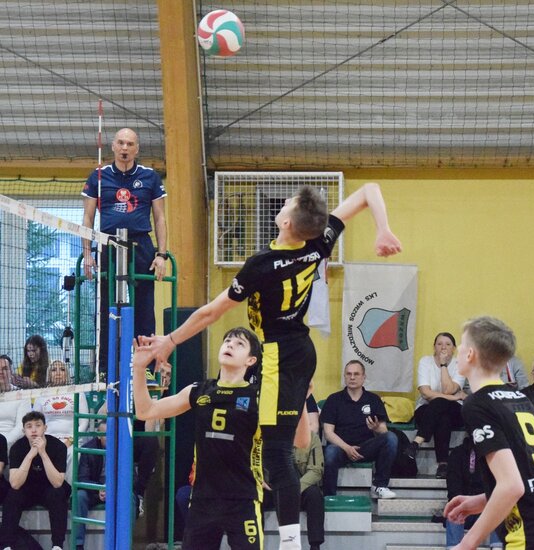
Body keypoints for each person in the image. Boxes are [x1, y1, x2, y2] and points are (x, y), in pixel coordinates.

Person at [145, 183, 402, 548]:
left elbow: (211, 312)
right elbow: (369, 191)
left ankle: (290, 542)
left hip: (280, 356)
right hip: (301, 350)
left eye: (287, 203)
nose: (282, 204)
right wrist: (382, 228)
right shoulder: (318, 240)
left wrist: (170, 340)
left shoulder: (261, 265)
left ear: (286, 223)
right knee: (291, 442)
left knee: (277, 453)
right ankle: (287, 532)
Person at [444, 316, 534, 549]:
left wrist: (466, 543)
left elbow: (511, 486)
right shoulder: (521, 398)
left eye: (462, 344)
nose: (458, 351)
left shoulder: (477, 404)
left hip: (531, 537)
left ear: (470, 354)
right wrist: (484, 499)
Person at [133, 327, 264, 550]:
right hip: (203, 500)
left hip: (243, 499)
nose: (230, 344)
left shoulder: (258, 396)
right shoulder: (199, 390)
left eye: (239, 344)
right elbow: (145, 411)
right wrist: (138, 368)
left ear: (250, 360)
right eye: (227, 340)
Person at [81, 127, 168, 375]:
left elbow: (160, 218)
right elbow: (87, 218)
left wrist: (161, 255)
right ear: (113, 146)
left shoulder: (150, 177)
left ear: (137, 148)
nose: (125, 148)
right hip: (108, 244)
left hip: (141, 245)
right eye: (121, 143)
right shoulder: (98, 176)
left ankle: (146, 369)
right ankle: (105, 369)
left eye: (130, 144)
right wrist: (87, 254)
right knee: (107, 308)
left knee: (144, 309)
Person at [321, 360, 398, 499]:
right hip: (341, 448)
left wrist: (376, 429)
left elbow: (384, 432)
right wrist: (347, 448)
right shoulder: (333, 399)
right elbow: (328, 433)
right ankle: (329, 497)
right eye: (348, 374)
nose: (352, 377)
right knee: (330, 451)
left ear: (364, 377)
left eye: (356, 374)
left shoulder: (374, 399)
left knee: (391, 438)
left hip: (366, 448)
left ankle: (379, 486)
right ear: (344, 376)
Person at [0, 411, 70, 550]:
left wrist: (43, 453)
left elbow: (57, 482)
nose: (33, 430)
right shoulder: (17, 447)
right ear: (23, 430)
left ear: (45, 428)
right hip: (27, 487)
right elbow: (15, 483)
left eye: (38, 425)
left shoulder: (58, 446)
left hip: (49, 487)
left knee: (58, 493)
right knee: (12, 495)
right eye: (29, 426)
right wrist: (30, 455)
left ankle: (57, 545)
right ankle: (6, 545)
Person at [405, 332, 465, 478]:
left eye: (448, 344)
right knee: (443, 418)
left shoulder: (460, 365)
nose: (443, 347)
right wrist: (453, 397)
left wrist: (443, 365)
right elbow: (426, 393)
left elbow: (448, 389)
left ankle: (416, 442)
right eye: (439, 344)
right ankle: (443, 465)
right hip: (426, 409)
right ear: (434, 347)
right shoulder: (425, 362)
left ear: (454, 349)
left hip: (454, 410)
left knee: (440, 404)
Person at [33, 360, 89, 483]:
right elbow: (35, 421)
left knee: (73, 454)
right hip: (47, 440)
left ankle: (68, 490)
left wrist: (70, 440)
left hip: (72, 440)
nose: (58, 373)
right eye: (54, 370)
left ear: (67, 373)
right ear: (49, 374)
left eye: (62, 369)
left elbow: (84, 422)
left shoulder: (77, 392)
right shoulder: (41, 394)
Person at [445, 435, 501, 550]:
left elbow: (499, 486)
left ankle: (497, 547)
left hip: (486, 507)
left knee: (501, 505)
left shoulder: (494, 454)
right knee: (454, 508)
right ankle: (454, 547)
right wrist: (463, 505)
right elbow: (453, 485)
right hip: (464, 506)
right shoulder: (457, 453)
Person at [75, 420, 107, 550]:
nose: (110, 437)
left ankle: (123, 543)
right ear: (98, 435)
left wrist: (112, 490)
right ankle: (78, 545)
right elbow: (82, 478)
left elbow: (132, 477)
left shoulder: (123, 447)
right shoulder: (88, 448)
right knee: (79, 496)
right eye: (106, 434)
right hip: (95, 490)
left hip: (116, 491)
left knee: (130, 498)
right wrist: (99, 489)